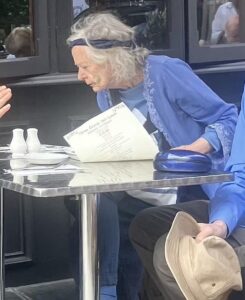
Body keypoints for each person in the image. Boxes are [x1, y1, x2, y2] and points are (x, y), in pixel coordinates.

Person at [66, 12, 238, 300]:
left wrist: (199, 146)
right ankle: (101, 290)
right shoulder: (106, 94)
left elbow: (228, 117)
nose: (79, 75)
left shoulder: (164, 72)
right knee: (87, 212)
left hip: (187, 188)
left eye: (84, 66)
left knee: (103, 213)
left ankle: (104, 292)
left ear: (111, 58)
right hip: (145, 187)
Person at [129, 85, 245, 300]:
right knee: (148, 225)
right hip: (240, 215)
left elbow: (224, 117)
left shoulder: (164, 71)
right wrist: (220, 224)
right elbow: (241, 174)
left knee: (173, 254)